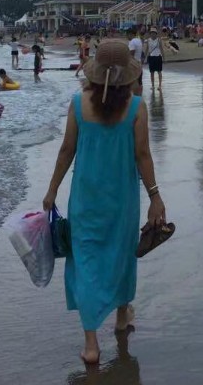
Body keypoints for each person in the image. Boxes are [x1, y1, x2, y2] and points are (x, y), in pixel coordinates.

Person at [42, 40, 167, 364]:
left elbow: (66, 150)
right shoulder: (136, 107)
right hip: (122, 200)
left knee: (85, 263)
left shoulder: (78, 104)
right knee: (122, 256)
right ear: (128, 75)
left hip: (85, 200)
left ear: (94, 72)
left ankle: (91, 345)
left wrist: (52, 190)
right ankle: (122, 317)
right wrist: (155, 196)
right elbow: (143, 155)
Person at [128, 29, 144, 94]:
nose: (127, 36)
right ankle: (139, 97)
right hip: (139, 64)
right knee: (139, 83)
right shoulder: (139, 40)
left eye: (128, 35)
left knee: (133, 83)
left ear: (131, 34)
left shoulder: (132, 42)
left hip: (133, 66)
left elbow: (131, 54)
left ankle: (134, 97)